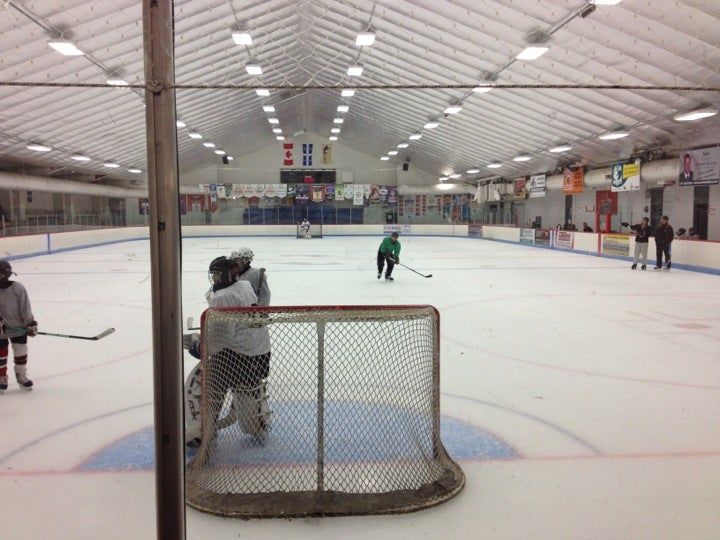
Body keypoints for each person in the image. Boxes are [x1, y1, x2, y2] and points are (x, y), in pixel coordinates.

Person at [184, 256, 271, 447]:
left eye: (217, 275)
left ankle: (200, 430)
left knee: (202, 382)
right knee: (246, 391)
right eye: (212, 275)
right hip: (259, 352)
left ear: (227, 274)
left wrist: (200, 348)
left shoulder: (223, 297)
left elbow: (218, 340)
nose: (214, 279)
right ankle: (258, 420)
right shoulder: (244, 285)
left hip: (237, 355)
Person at [0, 261, 37, 393]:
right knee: (1, 355)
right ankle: (1, 377)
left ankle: (21, 375)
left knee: (21, 352)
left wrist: (30, 323)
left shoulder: (18, 288)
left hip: (18, 328)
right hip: (1, 330)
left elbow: (24, 307)